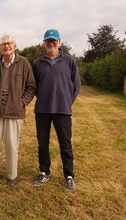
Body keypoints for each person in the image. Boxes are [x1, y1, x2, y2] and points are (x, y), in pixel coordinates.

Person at [0, 34, 36, 185]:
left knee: (12, 144)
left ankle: (12, 176)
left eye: (9, 43)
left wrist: (21, 103)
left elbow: (31, 87)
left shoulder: (23, 63)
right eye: (3, 44)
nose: (6, 46)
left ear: (14, 46)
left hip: (15, 112)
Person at [32, 29, 81, 190]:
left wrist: (67, 102)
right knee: (42, 143)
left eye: (54, 40)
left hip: (63, 110)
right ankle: (44, 172)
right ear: (44, 42)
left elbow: (76, 85)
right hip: (42, 110)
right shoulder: (38, 63)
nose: (51, 43)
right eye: (48, 41)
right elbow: (34, 86)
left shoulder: (69, 61)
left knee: (65, 143)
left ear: (59, 41)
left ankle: (68, 175)